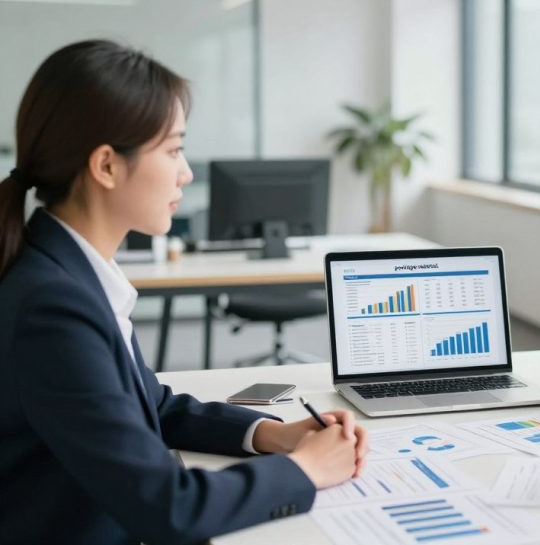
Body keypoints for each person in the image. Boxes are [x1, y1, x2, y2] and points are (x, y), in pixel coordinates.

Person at [0, 40, 369, 544]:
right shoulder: (53, 307)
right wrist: (305, 470)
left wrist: (271, 434)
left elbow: (152, 405)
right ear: (106, 166)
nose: (186, 172)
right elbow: (170, 508)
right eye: (173, 149)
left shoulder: (70, 273)